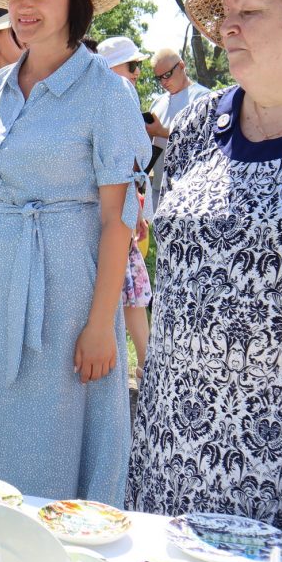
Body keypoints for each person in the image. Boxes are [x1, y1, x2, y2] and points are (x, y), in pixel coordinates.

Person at [128, 0, 282, 538]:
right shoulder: (201, 122)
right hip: (177, 434)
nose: (227, 29)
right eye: (224, 15)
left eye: (249, 12)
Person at [0, 0, 149, 506]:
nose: (23, 5)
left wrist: (103, 323)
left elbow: (117, 219)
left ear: (74, 1)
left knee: (52, 419)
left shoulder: (108, 93)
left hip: (67, 286)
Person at [98, 36, 155, 378]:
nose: (136, 73)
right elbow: (134, 157)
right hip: (117, 208)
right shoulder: (118, 88)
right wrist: (139, 212)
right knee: (128, 286)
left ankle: (136, 362)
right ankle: (144, 364)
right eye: (132, 65)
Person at [146, 47, 211, 203]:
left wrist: (162, 132)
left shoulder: (204, 97)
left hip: (192, 192)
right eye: (159, 78)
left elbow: (204, 140)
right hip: (158, 189)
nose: (163, 82)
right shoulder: (157, 102)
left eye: (167, 75)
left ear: (182, 66)